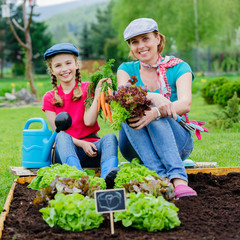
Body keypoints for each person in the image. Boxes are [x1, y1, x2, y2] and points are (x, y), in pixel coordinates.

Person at [117, 18, 197, 198]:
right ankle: (162, 176)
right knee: (130, 107)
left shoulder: (179, 67)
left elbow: (185, 104)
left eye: (146, 39)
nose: (141, 46)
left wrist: (156, 111)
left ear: (158, 39)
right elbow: (123, 98)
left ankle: (175, 179)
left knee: (153, 112)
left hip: (177, 143)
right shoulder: (126, 69)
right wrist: (154, 96)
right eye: (134, 42)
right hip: (136, 146)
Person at [42, 42, 119, 188]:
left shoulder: (88, 88)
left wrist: (97, 95)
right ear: (51, 70)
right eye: (58, 65)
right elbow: (57, 132)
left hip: (93, 149)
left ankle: (107, 178)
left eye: (68, 63)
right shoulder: (49, 97)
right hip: (66, 151)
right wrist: (82, 143)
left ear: (76, 64)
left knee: (110, 138)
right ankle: (78, 178)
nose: (64, 69)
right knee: (61, 136)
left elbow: (89, 122)